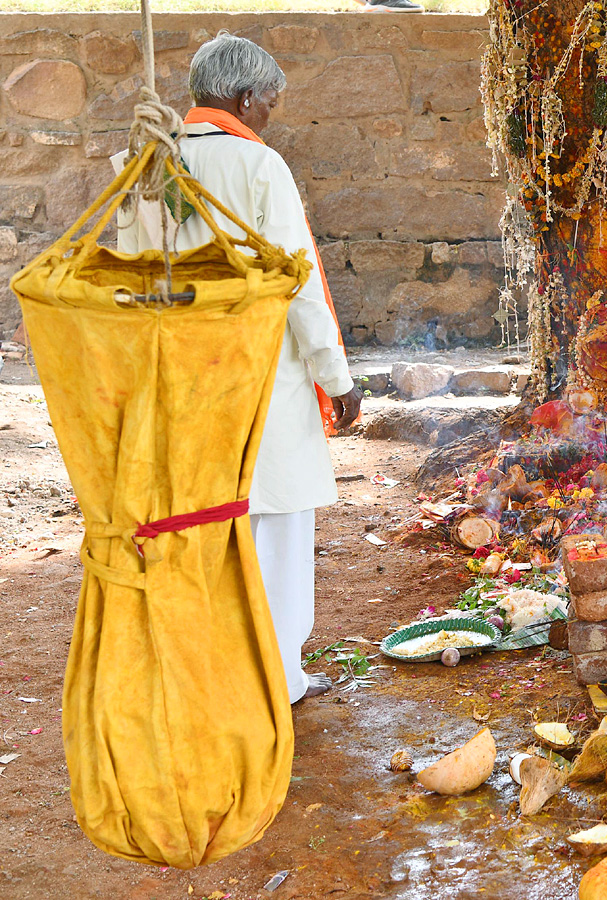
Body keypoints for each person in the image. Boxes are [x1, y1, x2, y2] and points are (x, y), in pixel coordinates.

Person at [114, 33, 362, 704]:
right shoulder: (259, 167)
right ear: (246, 98)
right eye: (271, 104)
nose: (270, 116)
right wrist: (337, 379)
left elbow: (134, 268)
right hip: (260, 380)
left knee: (205, 526)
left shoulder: (150, 161)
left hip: (182, 378)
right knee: (275, 526)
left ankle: (212, 674)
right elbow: (298, 284)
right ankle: (276, 679)